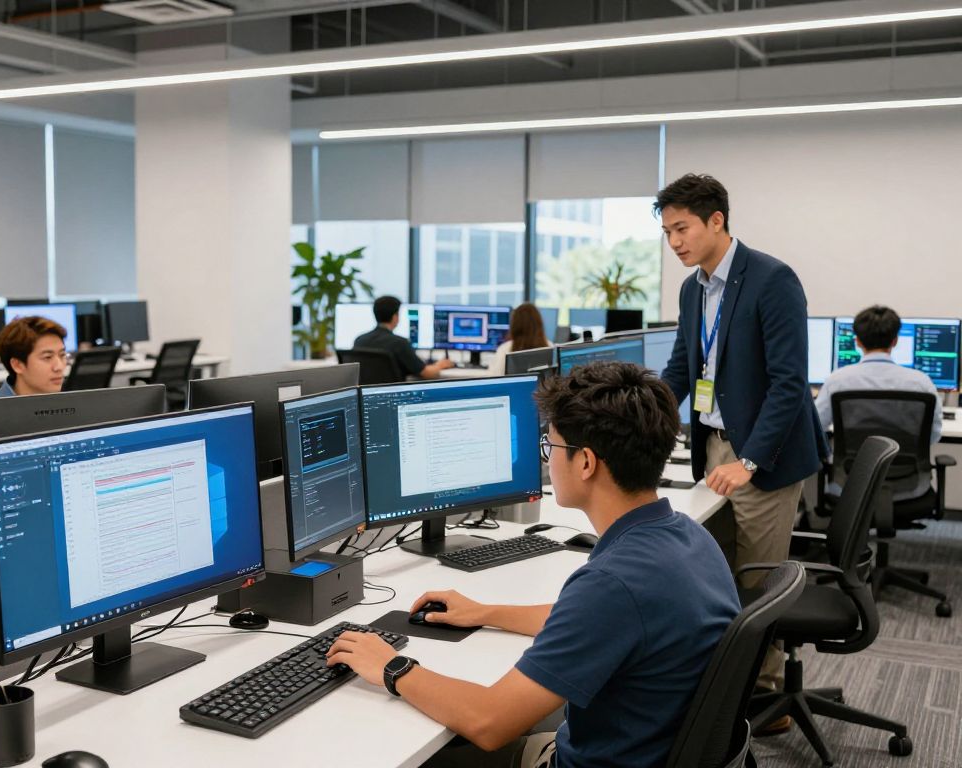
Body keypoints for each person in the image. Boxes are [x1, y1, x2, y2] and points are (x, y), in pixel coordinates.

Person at [324, 362, 741, 768]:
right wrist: (485, 613)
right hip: (646, 747)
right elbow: (594, 622)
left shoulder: (613, 583)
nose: (547, 459)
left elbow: (490, 722)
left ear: (586, 462)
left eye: (551, 446)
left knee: (415, 749)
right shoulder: (686, 536)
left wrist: (391, 667)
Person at [656, 174, 826, 697]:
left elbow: (789, 382)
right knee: (713, 571)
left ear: (716, 220)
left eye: (682, 228)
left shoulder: (772, 279)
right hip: (712, 448)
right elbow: (683, 369)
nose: (675, 242)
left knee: (756, 578)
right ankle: (721, 681)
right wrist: (643, 419)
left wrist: (749, 461)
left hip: (763, 457)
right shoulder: (692, 289)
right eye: (667, 232)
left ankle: (765, 694)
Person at [815, 305, 942, 444]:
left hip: (854, 465)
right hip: (907, 464)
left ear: (857, 341)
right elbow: (933, 434)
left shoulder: (837, 381)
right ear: (895, 341)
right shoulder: (921, 382)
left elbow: (817, 426)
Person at [354, 296, 454, 380]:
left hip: (366, 398)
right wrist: (440, 365)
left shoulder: (359, 341)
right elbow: (427, 374)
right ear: (395, 316)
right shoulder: (400, 343)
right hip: (394, 397)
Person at [0, 316, 68, 398]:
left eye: (62, 355)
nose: (59, 367)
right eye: (47, 357)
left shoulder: (70, 404)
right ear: (17, 365)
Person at [489, 303, 551, 376]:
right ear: (539, 324)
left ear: (514, 325)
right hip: (541, 387)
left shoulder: (504, 350)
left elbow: (495, 377)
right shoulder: (550, 347)